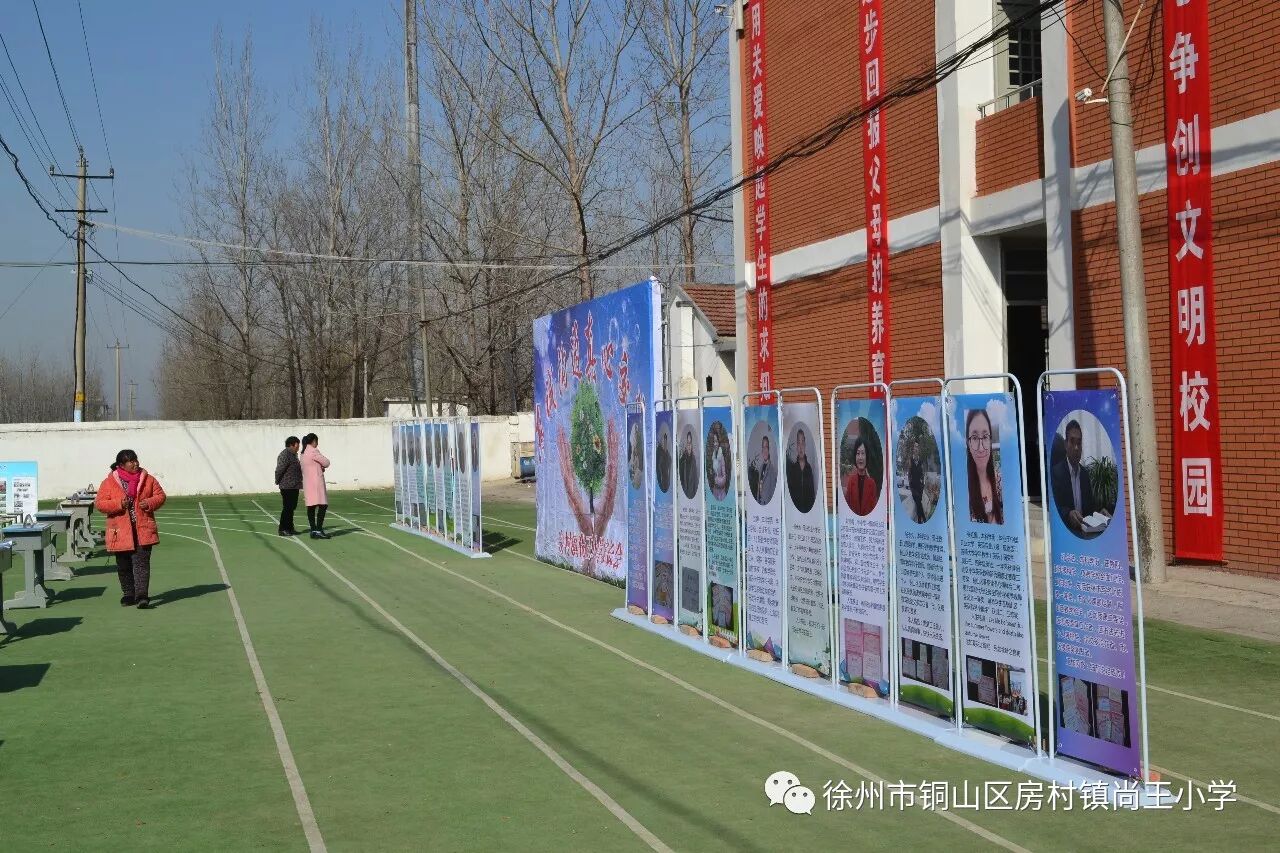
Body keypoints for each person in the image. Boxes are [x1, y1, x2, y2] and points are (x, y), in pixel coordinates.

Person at [95, 449, 167, 609]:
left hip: (143, 529)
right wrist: (119, 504)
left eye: (136, 460)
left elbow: (160, 496)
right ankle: (128, 594)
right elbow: (100, 503)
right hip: (120, 531)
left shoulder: (148, 479)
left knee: (141, 564)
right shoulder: (109, 482)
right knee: (124, 565)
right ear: (121, 465)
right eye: (131, 461)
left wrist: (149, 503)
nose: (135, 463)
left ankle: (142, 596)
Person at [1051, 419, 1106, 534]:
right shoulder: (1056, 473)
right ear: (1066, 445)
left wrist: (1099, 515)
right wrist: (1068, 514)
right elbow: (1055, 506)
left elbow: (1089, 508)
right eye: (1072, 442)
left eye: (1079, 443)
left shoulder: (1085, 474)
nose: (1076, 448)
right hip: (1066, 532)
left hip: (1085, 532)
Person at [965, 409, 1003, 524]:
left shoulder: (1000, 481)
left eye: (985, 437)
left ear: (990, 440)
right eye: (975, 438)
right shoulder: (964, 487)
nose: (981, 448)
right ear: (968, 443)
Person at [300, 432, 331, 539]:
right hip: (316, 483)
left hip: (308, 483)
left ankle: (313, 529)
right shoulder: (313, 451)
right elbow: (326, 462)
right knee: (323, 505)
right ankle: (319, 529)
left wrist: (319, 466)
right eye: (316, 441)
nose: (317, 444)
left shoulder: (303, 453)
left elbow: (311, 466)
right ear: (313, 441)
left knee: (311, 507)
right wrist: (322, 466)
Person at [843, 435, 878, 516]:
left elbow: (874, 512)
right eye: (858, 453)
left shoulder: (872, 484)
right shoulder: (851, 481)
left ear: (867, 456)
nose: (860, 457)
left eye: (863, 453)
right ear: (855, 456)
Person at [275, 436, 302, 536]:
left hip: (294, 485)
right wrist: (277, 480)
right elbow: (279, 469)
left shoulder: (293, 455)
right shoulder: (285, 454)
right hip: (287, 486)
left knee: (292, 507)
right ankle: (282, 529)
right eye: (297, 444)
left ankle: (290, 528)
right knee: (287, 507)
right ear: (291, 445)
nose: (298, 447)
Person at [786, 428, 816, 513]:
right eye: (798, 443)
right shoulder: (792, 469)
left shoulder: (809, 468)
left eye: (802, 442)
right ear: (796, 446)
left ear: (805, 445)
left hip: (807, 513)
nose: (800, 446)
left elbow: (812, 495)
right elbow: (789, 494)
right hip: (795, 513)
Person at [749, 433, 778, 505]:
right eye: (763, 447)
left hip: (767, 506)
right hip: (760, 504)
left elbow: (773, 494)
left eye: (766, 447)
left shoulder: (772, 470)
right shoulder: (761, 467)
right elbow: (759, 490)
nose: (764, 450)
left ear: (769, 450)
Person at [908, 445, 926, 523]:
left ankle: (921, 519)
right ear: (913, 450)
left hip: (920, 487)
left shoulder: (920, 461)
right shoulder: (910, 460)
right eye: (914, 448)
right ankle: (922, 519)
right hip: (913, 487)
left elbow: (922, 474)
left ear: (918, 450)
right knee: (918, 501)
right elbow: (909, 475)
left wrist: (923, 484)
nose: (916, 449)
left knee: (919, 503)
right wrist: (911, 487)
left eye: (917, 448)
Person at [678, 428, 698, 499]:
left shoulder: (694, 459)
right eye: (687, 443)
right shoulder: (682, 460)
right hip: (683, 494)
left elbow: (695, 479)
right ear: (686, 445)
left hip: (692, 493)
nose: (689, 445)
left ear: (692, 445)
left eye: (690, 443)